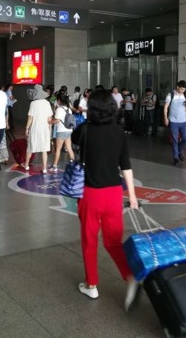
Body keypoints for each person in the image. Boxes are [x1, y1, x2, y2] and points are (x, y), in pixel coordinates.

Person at [71, 89, 140, 310]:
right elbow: (126, 166)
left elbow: (73, 139)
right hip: (113, 194)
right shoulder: (119, 132)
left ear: (91, 108)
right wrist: (133, 196)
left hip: (90, 194)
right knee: (113, 241)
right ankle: (130, 276)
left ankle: (91, 285)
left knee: (89, 240)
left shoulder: (85, 129)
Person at [22, 84, 53, 173]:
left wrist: (27, 128)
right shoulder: (47, 103)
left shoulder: (33, 103)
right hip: (45, 128)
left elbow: (30, 118)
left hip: (35, 128)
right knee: (44, 149)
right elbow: (49, 118)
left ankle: (26, 165)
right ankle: (44, 168)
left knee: (30, 147)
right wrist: (50, 129)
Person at [163, 80, 186, 166]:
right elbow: (165, 107)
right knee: (175, 140)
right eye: (182, 89)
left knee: (185, 138)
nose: (183, 91)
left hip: (183, 121)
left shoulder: (185, 95)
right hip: (173, 121)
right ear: (178, 87)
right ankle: (175, 157)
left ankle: (179, 151)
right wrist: (165, 118)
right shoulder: (170, 95)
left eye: (184, 89)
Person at [49, 92, 76, 171]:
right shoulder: (69, 109)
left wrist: (50, 121)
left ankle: (54, 166)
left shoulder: (59, 109)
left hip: (61, 131)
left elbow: (57, 120)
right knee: (69, 148)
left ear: (59, 100)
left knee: (58, 149)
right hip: (69, 130)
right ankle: (74, 164)